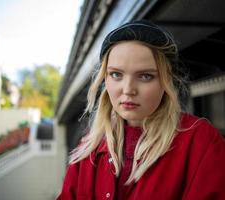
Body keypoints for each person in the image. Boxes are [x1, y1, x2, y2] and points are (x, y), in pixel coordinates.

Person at [56, 20, 225, 200]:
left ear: (166, 81)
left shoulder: (200, 141)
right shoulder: (88, 149)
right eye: (116, 74)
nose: (128, 89)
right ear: (105, 78)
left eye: (145, 76)